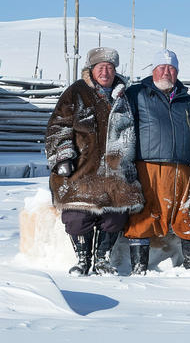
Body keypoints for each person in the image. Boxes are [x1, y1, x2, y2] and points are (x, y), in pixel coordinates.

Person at [124, 49, 190, 275]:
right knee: (142, 215)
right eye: (162, 67)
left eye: (171, 68)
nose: (166, 72)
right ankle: (138, 267)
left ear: (177, 72)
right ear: (153, 70)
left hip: (182, 168)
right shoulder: (136, 94)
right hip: (147, 167)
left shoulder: (188, 101)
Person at [45, 47, 144, 276]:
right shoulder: (76, 92)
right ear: (91, 69)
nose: (106, 72)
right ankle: (83, 259)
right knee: (77, 215)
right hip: (81, 167)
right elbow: (58, 126)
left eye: (110, 68)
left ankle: (103, 259)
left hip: (115, 170)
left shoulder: (124, 95)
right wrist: (63, 156)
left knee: (115, 216)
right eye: (101, 67)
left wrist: (128, 164)